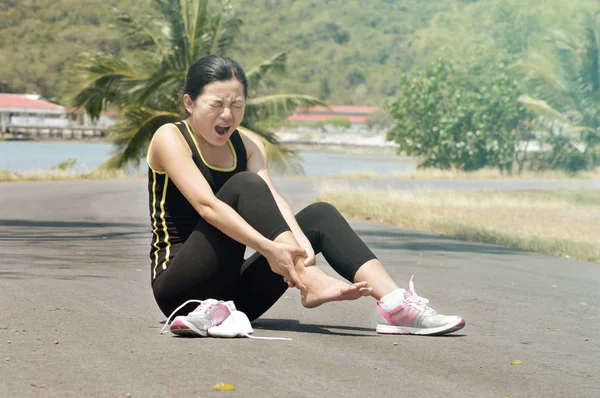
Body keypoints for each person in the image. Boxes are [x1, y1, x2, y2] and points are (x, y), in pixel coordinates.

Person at [147, 55, 465, 337]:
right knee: (245, 184)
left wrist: (301, 249)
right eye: (216, 105)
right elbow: (207, 206)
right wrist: (272, 250)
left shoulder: (249, 145)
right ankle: (309, 279)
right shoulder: (171, 137)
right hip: (180, 289)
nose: (228, 115)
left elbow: (273, 201)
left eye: (238, 105)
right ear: (189, 103)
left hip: (233, 297)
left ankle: (397, 305)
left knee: (319, 215)